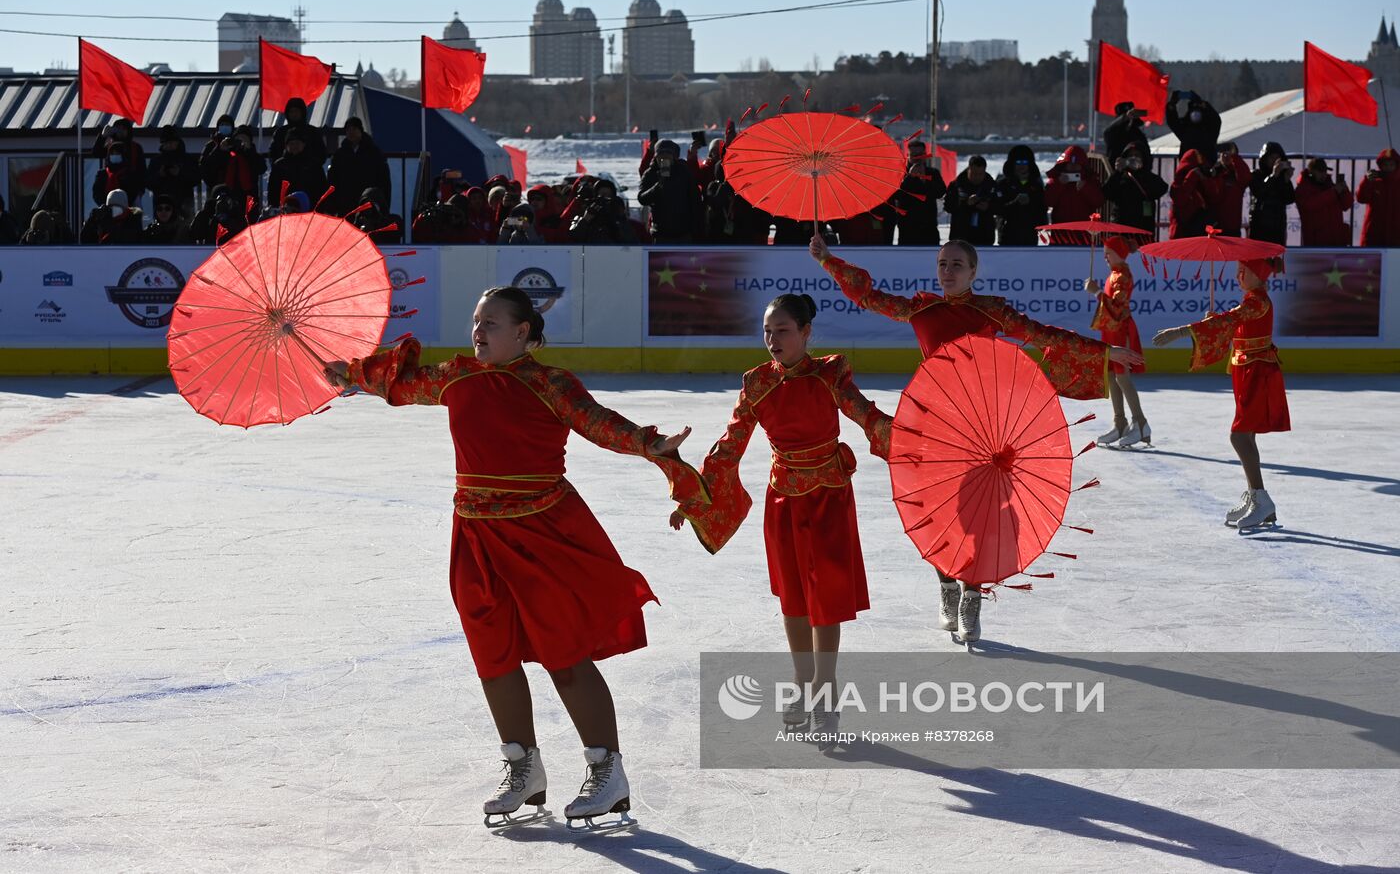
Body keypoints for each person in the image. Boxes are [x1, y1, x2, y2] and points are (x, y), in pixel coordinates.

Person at [324, 286, 709, 828]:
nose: (478, 331)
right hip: (475, 536)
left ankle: (607, 769)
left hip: (541, 534)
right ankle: (522, 766)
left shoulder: (550, 384)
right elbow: (399, 384)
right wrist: (347, 375)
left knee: (564, 654)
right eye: (476, 321)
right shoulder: (456, 376)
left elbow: (599, 422)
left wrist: (650, 444)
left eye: (492, 323)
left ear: (524, 332)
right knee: (493, 655)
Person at [809, 235, 1141, 643]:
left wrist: (1103, 352)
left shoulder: (991, 311)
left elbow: (1043, 335)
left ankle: (972, 595)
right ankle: (948, 584)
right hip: (933, 425)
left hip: (981, 425)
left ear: (973, 272)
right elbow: (869, 296)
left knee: (980, 513)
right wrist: (828, 260)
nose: (947, 271)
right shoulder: (921, 307)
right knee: (935, 512)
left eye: (956, 265)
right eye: (942, 264)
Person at [669, 293, 891, 741]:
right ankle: (802, 680)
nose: (773, 340)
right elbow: (728, 447)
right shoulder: (756, 383)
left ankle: (825, 692)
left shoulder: (830, 374)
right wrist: (693, 497)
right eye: (767, 332)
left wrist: (915, 437)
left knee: (826, 594)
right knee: (793, 594)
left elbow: (867, 417)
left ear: (806, 333)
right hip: (784, 499)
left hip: (829, 495)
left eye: (783, 331)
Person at [1153, 256, 1288, 530]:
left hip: (1257, 372)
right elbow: (1233, 324)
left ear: (1259, 276)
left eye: (1243, 272)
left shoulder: (1258, 301)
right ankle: (1256, 498)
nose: (1238, 276)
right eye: (1237, 271)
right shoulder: (1252, 300)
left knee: (1239, 436)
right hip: (1246, 370)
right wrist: (1215, 321)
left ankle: (1261, 499)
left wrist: (1181, 331)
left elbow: (1233, 319)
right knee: (1245, 435)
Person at [1084, 237, 1150, 447]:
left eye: (1109, 253)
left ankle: (1140, 423)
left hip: (1121, 332)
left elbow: (1118, 307)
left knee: (1122, 378)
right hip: (1111, 331)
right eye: (1104, 253)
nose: (1105, 257)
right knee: (1112, 376)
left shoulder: (1122, 276)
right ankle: (1120, 423)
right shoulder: (1114, 274)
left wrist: (1096, 292)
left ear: (1121, 254)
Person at [638, 139, 700, 243]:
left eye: (668, 154)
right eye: (661, 154)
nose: (664, 157)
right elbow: (642, 198)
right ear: (656, 156)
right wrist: (658, 186)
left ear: (674, 156)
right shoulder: (650, 173)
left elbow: (695, 199)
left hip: (683, 233)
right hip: (660, 233)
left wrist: (695, 229)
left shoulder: (683, 171)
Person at [326, 117, 391, 217]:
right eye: (348, 130)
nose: (351, 132)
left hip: (368, 204)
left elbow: (383, 180)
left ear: (360, 130)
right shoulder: (340, 154)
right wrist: (332, 206)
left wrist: (383, 205)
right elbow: (333, 180)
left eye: (354, 129)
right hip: (345, 204)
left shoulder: (373, 153)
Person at [1043, 146, 1106, 244]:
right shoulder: (1056, 179)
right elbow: (1048, 201)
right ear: (1065, 164)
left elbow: (1099, 201)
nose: (1073, 167)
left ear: (1082, 165)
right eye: (1070, 164)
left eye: (1076, 164)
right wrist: (1059, 184)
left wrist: (1085, 188)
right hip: (1061, 233)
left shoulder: (1090, 180)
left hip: (1084, 233)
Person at [200, 121, 266, 215]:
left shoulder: (252, 154)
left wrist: (249, 150)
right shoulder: (228, 153)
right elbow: (209, 166)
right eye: (238, 139)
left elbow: (262, 168)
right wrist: (220, 150)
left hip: (248, 197)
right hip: (227, 196)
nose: (241, 142)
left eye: (244, 139)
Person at [1104, 142, 1167, 233]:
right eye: (1130, 156)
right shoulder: (1120, 177)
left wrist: (1143, 172)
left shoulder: (1149, 178)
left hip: (1143, 227)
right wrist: (1117, 172)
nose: (1133, 158)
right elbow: (1106, 192)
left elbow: (1162, 188)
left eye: (1137, 155)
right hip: (1121, 227)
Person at [991, 145, 1047, 246]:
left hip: (1030, 236)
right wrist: (1015, 202)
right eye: (1018, 163)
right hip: (1007, 236)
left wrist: (1030, 202)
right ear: (1012, 164)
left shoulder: (1036, 185)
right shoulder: (1002, 184)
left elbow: (1042, 209)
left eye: (1025, 162)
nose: (1022, 166)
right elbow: (996, 208)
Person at [894, 141, 947, 246]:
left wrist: (924, 181)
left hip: (928, 226)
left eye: (920, 155)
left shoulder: (933, 172)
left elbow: (940, 192)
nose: (917, 158)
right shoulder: (899, 173)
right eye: (914, 155)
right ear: (908, 156)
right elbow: (897, 195)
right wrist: (910, 177)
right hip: (908, 227)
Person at [1294, 158, 1353, 247]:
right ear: (1311, 173)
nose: (1323, 174)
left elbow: (1346, 205)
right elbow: (1311, 205)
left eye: (1324, 171)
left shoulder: (1330, 186)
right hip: (1317, 241)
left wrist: (1344, 190)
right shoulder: (1302, 189)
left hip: (1336, 240)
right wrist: (1334, 192)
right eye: (1320, 171)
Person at [267, 128, 328, 210]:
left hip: (310, 211)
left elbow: (322, 188)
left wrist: (322, 208)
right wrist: (274, 208)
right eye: (291, 143)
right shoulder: (279, 165)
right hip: (285, 211)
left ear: (304, 144)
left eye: (297, 143)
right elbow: (273, 190)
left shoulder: (313, 164)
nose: (294, 146)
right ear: (286, 146)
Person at [146, 125, 199, 216]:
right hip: (163, 207)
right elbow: (148, 183)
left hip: (183, 205)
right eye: (166, 143)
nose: (169, 145)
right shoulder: (156, 161)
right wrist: (160, 175)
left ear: (177, 142)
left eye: (171, 142)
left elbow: (196, 179)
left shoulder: (188, 159)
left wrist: (180, 174)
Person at [1248, 142, 1294, 245]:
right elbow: (1260, 193)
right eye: (1271, 157)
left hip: (1278, 228)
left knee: (1276, 258)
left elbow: (1290, 199)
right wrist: (1274, 175)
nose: (1274, 161)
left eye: (1277, 158)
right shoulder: (1256, 175)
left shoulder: (1282, 178)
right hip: (1259, 228)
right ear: (1264, 159)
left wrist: (1286, 180)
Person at [945, 155, 996, 246]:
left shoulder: (992, 186)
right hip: (960, 236)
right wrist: (966, 203)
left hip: (985, 237)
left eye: (980, 174)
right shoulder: (956, 185)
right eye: (974, 173)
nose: (977, 177)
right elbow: (948, 207)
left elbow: (1000, 207)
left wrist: (988, 207)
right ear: (968, 169)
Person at [1357, 147, 1400, 247]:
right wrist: (1366, 181)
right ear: (1380, 166)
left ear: (1396, 166)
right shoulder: (1373, 181)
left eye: (1391, 165)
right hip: (1374, 235)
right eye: (1385, 165)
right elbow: (1361, 198)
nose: (1388, 168)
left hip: (1396, 237)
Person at [1209, 143, 1253, 237]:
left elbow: (1245, 178)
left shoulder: (1237, 175)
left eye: (1229, 153)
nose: (1225, 156)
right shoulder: (1214, 172)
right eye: (1223, 153)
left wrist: (1235, 158)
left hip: (1232, 227)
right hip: (1215, 226)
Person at [1166, 91, 1222, 164]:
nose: (1195, 114)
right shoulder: (1185, 128)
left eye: (1198, 111)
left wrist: (1204, 104)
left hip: (1207, 167)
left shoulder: (1209, 129)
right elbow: (1173, 121)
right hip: (1188, 167)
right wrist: (1171, 105)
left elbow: (1216, 120)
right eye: (1193, 111)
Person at [268, 97, 326, 166]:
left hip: (308, 172)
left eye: (297, 111)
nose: (294, 114)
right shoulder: (280, 133)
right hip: (285, 172)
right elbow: (273, 154)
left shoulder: (313, 132)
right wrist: (279, 166)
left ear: (302, 112)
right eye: (291, 111)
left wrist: (312, 166)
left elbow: (321, 153)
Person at [92, 137, 147, 208]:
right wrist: (105, 205)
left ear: (123, 155)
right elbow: (97, 193)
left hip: (127, 209)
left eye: (117, 153)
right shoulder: (102, 174)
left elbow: (133, 192)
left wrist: (122, 205)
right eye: (112, 154)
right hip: (106, 209)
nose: (114, 156)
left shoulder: (130, 174)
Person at [1168, 149, 1212, 239]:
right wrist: (1191, 177)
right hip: (1182, 232)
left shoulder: (1201, 182)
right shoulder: (1178, 184)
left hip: (1198, 231)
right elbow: (1180, 200)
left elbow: (1214, 196)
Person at [80, 189, 144, 244]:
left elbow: (125, 239)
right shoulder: (103, 218)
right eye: (111, 208)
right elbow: (85, 241)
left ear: (125, 208)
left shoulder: (133, 220)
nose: (114, 211)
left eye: (118, 208)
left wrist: (110, 225)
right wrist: (92, 221)